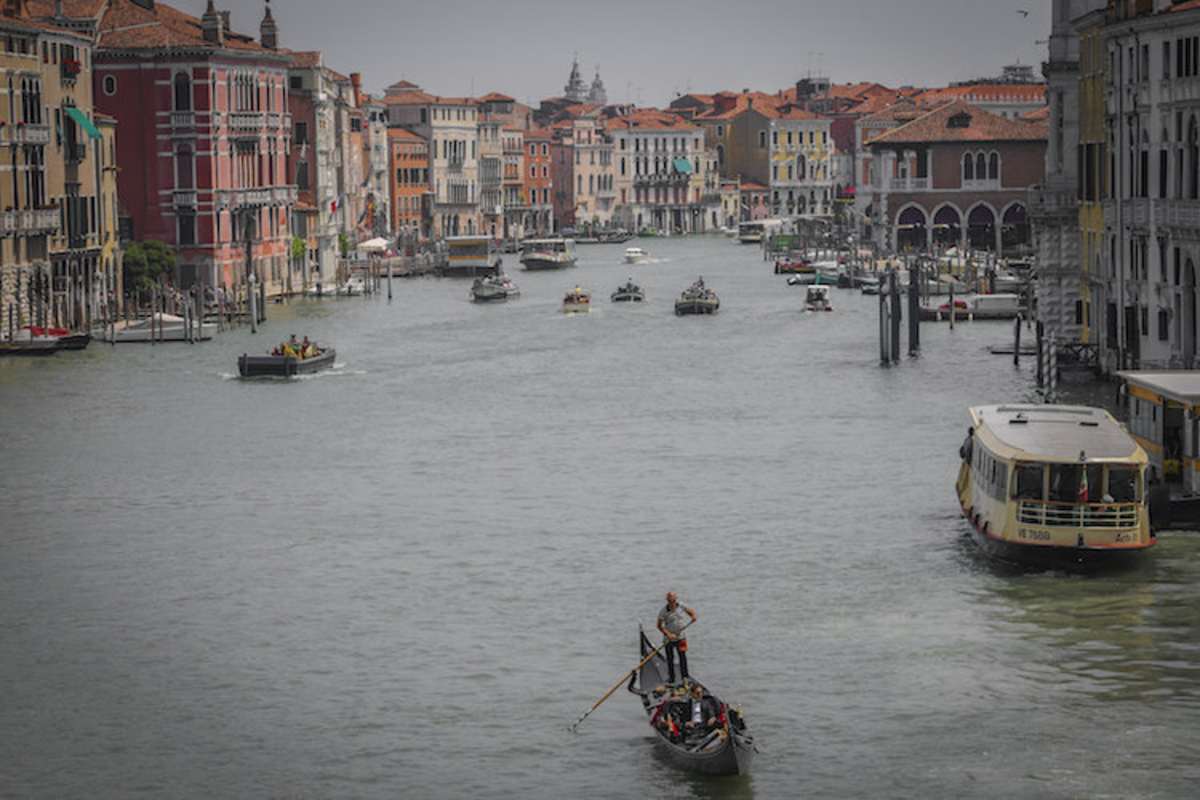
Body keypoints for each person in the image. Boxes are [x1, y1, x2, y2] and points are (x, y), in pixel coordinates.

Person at [657, 591, 696, 685]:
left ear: (676, 599)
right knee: (670, 659)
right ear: (667, 600)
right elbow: (659, 626)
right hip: (669, 639)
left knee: (683, 657)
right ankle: (671, 678)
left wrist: (693, 617)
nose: (672, 602)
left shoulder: (681, 606)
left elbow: (691, 612)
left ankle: (685, 677)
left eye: (673, 600)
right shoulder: (663, 611)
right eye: (670, 600)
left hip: (681, 637)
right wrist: (668, 634)